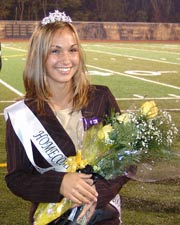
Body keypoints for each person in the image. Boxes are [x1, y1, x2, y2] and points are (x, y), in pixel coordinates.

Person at [4, 10, 131, 225]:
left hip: (103, 215)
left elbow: (127, 158)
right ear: (39, 56)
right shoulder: (22, 115)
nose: (66, 59)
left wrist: (94, 193)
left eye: (72, 50)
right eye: (55, 51)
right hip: (53, 217)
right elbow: (17, 179)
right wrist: (60, 184)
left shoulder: (101, 97)